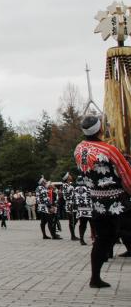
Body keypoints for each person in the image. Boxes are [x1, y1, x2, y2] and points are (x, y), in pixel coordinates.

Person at [74, 115, 131, 288]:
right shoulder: (109, 149)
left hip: (97, 201)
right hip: (117, 201)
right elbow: (126, 175)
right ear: (100, 129)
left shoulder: (78, 149)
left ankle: (95, 278)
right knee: (127, 233)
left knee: (102, 240)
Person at [73, 176, 92, 246]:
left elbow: (74, 199)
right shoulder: (88, 188)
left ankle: (81, 239)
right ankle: (94, 238)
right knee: (92, 225)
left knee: (82, 225)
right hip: (89, 208)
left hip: (81, 209)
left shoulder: (75, 189)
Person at [61, 172, 77, 241]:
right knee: (71, 220)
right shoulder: (65, 185)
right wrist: (73, 197)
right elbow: (65, 196)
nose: (71, 176)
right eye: (69, 176)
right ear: (67, 178)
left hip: (73, 203)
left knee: (75, 220)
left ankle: (73, 234)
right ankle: (72, 236)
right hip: (69, 204)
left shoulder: (69, 185)